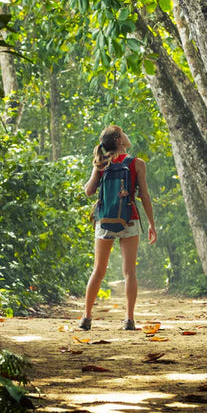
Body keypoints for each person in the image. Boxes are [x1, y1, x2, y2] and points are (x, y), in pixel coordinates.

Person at [79, 125, 157, 330]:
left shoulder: (101, 162)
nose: (127, 136)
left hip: (105, 219)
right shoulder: (137, 163)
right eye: (124, 134)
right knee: (129, 272)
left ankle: (86, 317)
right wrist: (151, 223)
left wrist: (97, 169)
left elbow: (89, 191)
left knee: (98, 270)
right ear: (119, 141)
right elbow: (145, 196)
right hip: (129, 219)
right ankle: (129, 319)